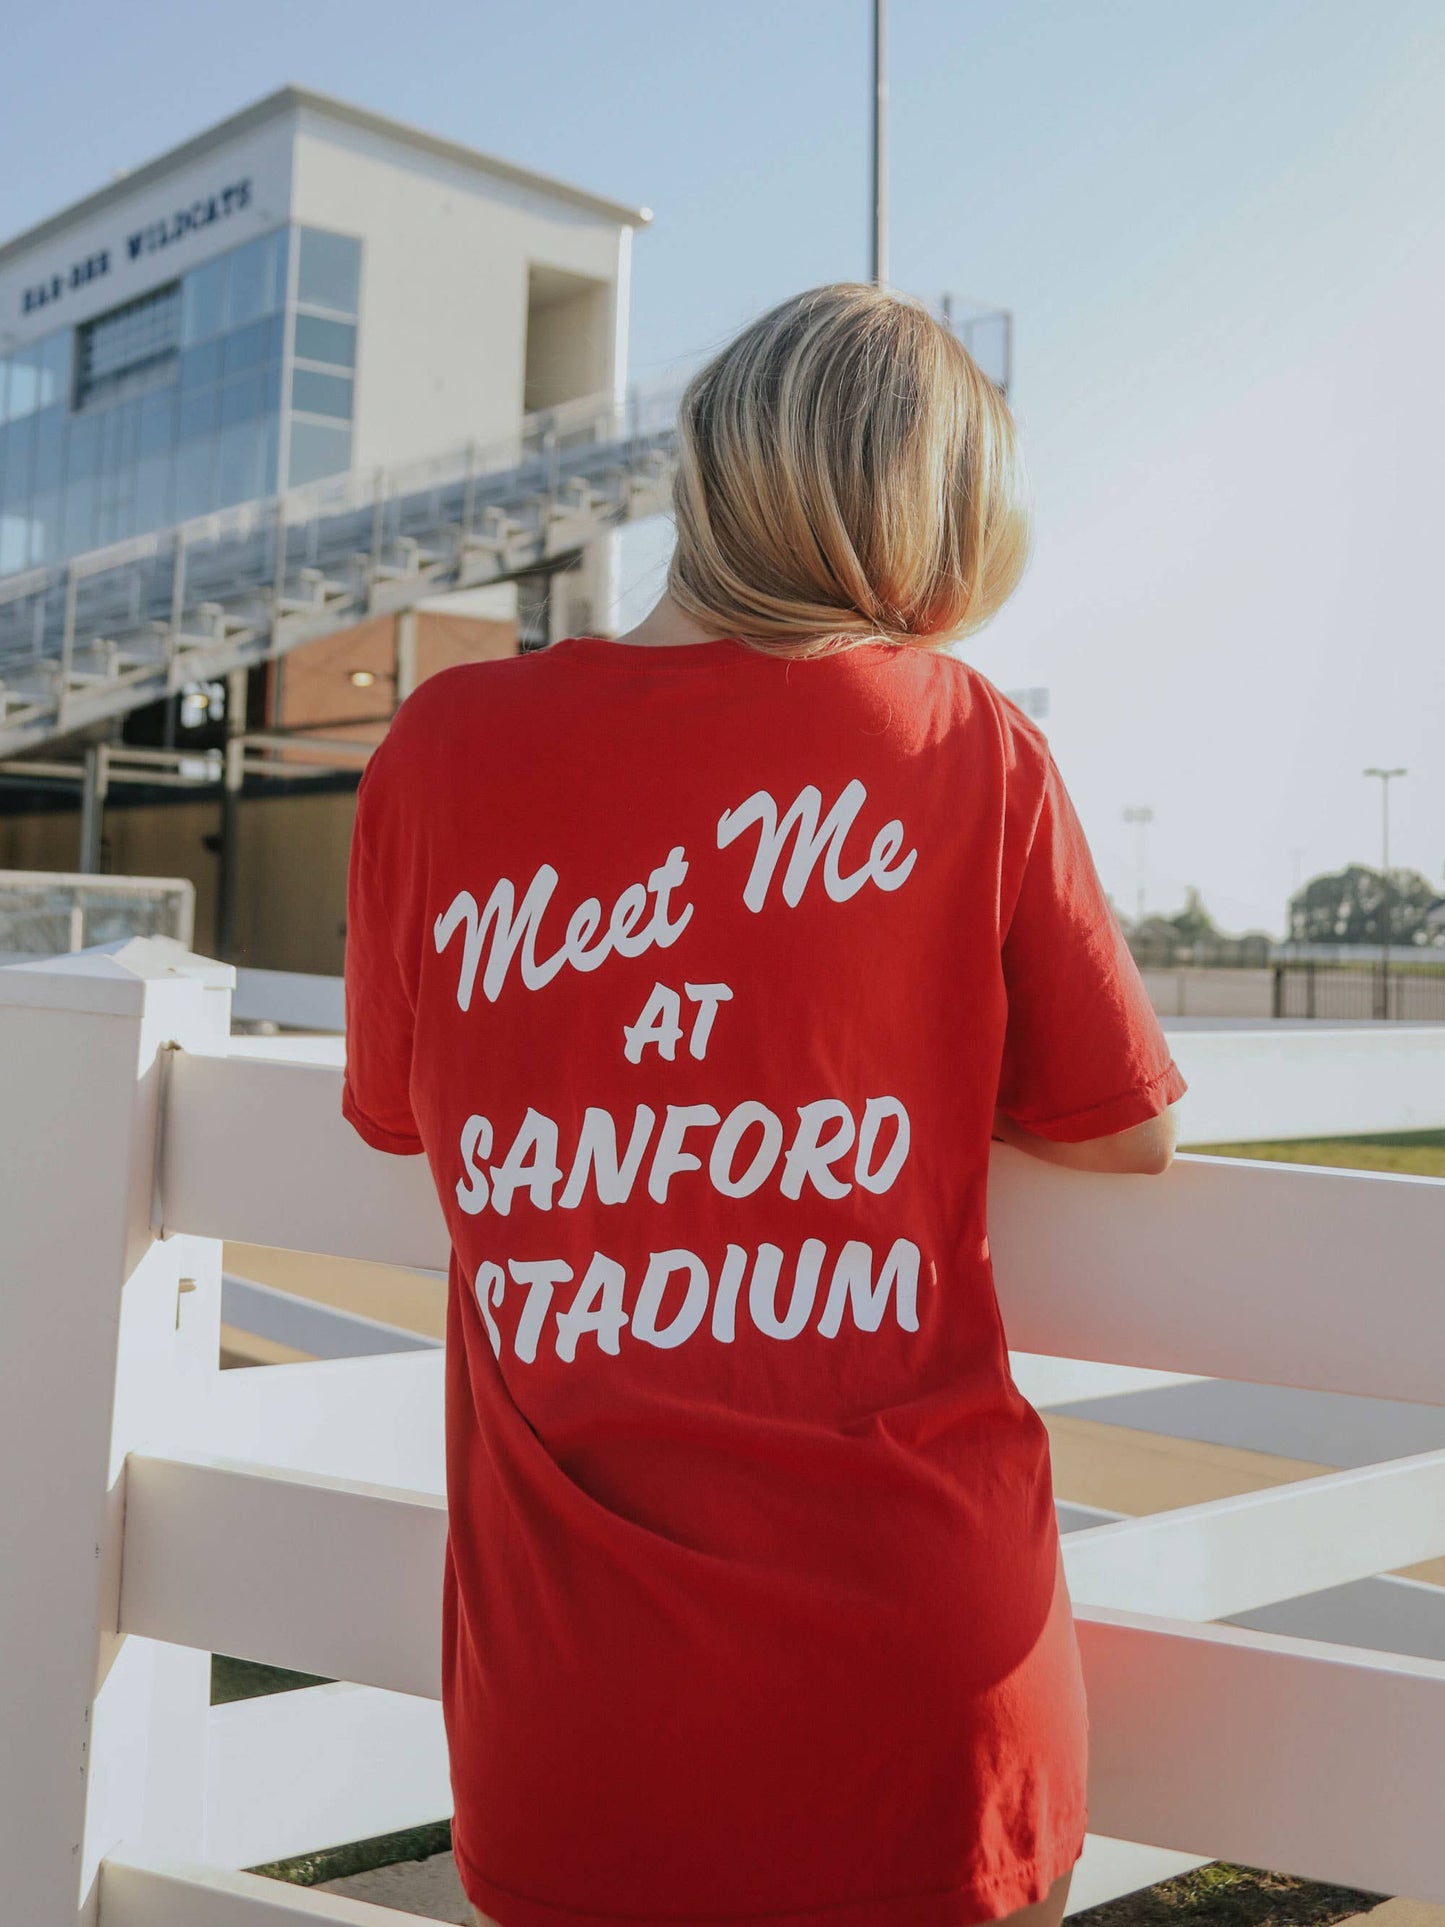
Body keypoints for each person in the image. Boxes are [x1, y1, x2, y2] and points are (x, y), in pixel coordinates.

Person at [342, 282, 1186, 1927]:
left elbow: (406, 1113)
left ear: (712, 471)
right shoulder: (966, 744)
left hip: (572, 1709)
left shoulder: (441, 750)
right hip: (928, 1682)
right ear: (926, 520)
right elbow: (1120, 1127)